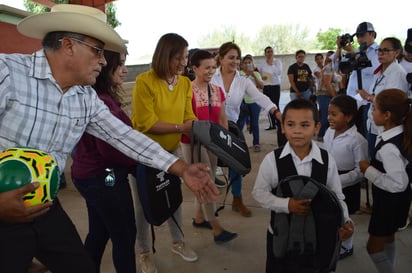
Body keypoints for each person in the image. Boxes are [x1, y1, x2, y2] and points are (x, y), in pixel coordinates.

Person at [0, 5, 218, 273]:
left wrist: (181, 168)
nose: (104, 61)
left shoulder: (85, 98)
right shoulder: (8, 73)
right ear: (68, 45)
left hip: (44, 205)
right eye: (98, 51)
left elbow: (125, 136)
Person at [252, 98, 354, 273]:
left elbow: (337, 197)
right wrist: (286, 204)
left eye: (305, 125)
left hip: (319, 235)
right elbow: (259, 192)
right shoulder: (272, 160)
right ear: (283, 127)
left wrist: (345, 220)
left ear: (316, 127)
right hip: (281, 235)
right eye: (291, 124)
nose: (297, 131)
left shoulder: (326, 159)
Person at [131, 33, 202, 264]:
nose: (184, 62)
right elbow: (147, 123)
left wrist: (195, 125)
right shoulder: (145, 81)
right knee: (143, 205)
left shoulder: (184, 83)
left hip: (171, 154)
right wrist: (182, 127)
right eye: (179, 58)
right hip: (144, 154)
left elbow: (189, 115)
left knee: (174, 198)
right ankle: (144, 252)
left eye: (186, 57)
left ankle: (177, 242)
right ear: (165, 56)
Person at [70, 49, 138, 273]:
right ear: (107, 68)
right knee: (125, 235)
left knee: (100, 231)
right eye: (120, 65)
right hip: (106, 175)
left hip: (90, 174)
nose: (125, 70)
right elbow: (110, 151)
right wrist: (135, 161)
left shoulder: (97, 96)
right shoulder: (101, 101)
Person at [211, 41, 282, 217]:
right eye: (230, 58)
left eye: (237, 58)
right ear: (221, 58)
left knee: (237, 163)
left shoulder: (243, 81)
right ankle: (206, 208)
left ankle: (237, 199)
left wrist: (276, 112)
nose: (235, 61)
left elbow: (259, 97)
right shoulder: (211, 77)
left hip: (232, 128)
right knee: (209, 166)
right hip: (211, 127)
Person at [180, 49, 238, 244]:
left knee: (210, 177)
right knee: (206, 183)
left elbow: (222, 118)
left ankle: (199, 217)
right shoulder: (186, 90)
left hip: (214, 143)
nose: (211, 71)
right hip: (194, 144)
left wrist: (225, 142)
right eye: (206, 68)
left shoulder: (217, 90)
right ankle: (216, 228)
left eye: (213, 67)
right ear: (194, 68)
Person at [359, 89, 412, 273]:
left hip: (390, 201)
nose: (372, 112)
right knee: (388, 237)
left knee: (373, 248)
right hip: (395, 201)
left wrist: (369, 170)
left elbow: (398, 184)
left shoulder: (389, 148)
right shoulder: (397, 134)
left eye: (374, 108)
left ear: (387, 115)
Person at [321, 95, 368, 259]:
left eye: (334, 114)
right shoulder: (328, 131)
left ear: (348, 117)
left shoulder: (357, 140)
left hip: (346, 183)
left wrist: (339, 180)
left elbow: (360, 170)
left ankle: (347, 247)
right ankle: (334, 242)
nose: (329, 118)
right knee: (330, 214)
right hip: (328, 177)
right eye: (328, 113)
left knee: (343, 216)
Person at [356, 37, 409, 159]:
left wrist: (368, 97)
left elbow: (392, 103)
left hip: (386, 126)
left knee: (381, 161)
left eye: (385, 50)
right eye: (379, 50)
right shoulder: (379, 72)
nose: (380, 53)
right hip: (374, 124)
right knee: (372, 156)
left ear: (397, 52)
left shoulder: (397, 73)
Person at [336, 22, 379, 138]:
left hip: (366, 100)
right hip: (353, 99)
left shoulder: (378, 51)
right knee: (352, 135)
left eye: (363, 35)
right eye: (358, 36)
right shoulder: (358, 51)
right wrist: (339, 49)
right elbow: (339, 68)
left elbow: (373, 69)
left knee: (366, 134)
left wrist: (354, 54)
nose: (360, 39)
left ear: (372, 34)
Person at [238, 54, 264, 152]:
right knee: (240, 124)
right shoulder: (238, 74)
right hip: (242, 102)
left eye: (249, 62)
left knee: (255, 124)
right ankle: (239, 143)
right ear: (242, 64)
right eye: (245, 63)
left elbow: (261, 86)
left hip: (254, 102)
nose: (247, 64)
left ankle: (256, 143)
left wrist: (253, 75)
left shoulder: (256, 74)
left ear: (252, 64)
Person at [316, 53, 341, 141]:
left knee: (329, 115)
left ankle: (326, 134)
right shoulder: (328, 68)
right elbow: (327, 84)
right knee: (326, 115)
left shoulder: (335, 68)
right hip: (324, 95)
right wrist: (335, 96)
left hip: (330, 94)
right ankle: (321, 134)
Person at [258, 46, 283, 130]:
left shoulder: (277, 62)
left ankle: (279, 122)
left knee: (275, 104)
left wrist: (271, 64)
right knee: (267, 104)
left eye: (271, 51)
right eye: (268, 52)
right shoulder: (262, 63)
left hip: (275, 86)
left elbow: (279, 72)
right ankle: (272, 124)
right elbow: (260, 73)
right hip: (266, 86)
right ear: (265, 53)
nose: (270, 53)